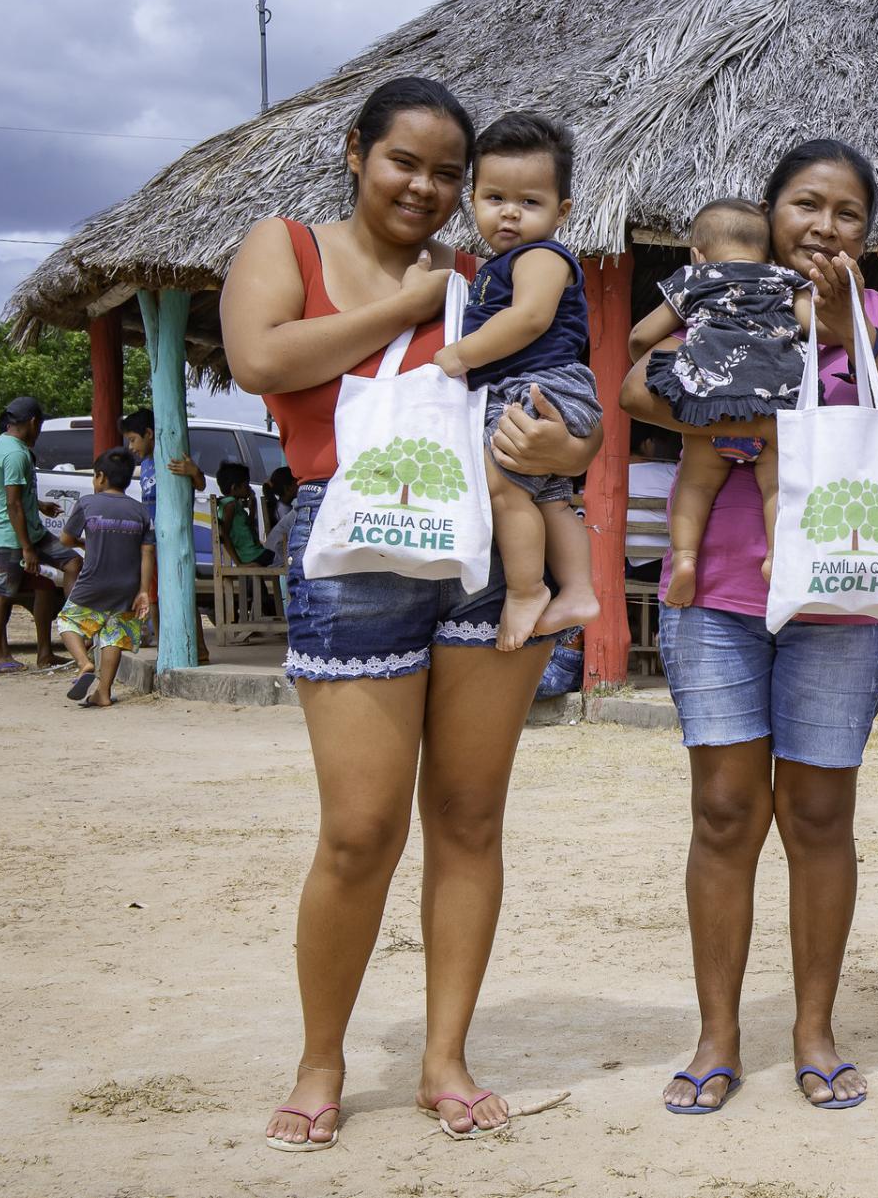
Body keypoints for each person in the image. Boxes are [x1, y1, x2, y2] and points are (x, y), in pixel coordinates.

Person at [220, 76, 603, 1150]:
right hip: (349, 549)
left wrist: (566, 448)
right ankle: (322, 1059)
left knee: (471, 817)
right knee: (358, 830)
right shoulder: (287, 245)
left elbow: (566, 412)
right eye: (406, 163)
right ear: (356, 152)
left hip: (481, 546)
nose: (426, 187)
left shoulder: (499, 275)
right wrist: (411, 305)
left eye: (446, 173)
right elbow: (262, 360)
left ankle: (446, 1057)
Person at [619, 139, 878, 1113]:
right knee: (724, 809)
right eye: (808, 206)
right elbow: (638, 386)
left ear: (868, 236)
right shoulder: (731, 295)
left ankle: (814, 1029)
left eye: (848, 213)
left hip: (840, 595)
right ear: (772, 217)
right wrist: (739, 414)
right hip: (720, 590)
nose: (827, 226)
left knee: (817, 815)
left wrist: (854, 334)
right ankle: (718, 1036)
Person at [432, 111, 603, 651]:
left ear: (562, 211)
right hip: (547, 391)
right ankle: (577, 590)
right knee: (550, 499)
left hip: (538, 387)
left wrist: (457, 355)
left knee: (499, 481)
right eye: (494, 198)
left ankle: (527, 588)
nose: (510, 213)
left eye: (530, 202)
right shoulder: (496, 264)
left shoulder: (542, 257)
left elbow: (528, 318)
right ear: (474, 198)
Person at [628, 199, 815, 603]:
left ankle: (685, 559)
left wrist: (645, 356)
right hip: (771, 406)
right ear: (765, 251)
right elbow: (813, 325)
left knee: (693, 485)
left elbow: (643, 336)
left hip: (709, 406)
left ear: (698, 254)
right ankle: (775, 555)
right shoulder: (784, 278)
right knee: (775, 486)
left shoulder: (693, 278)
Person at [0, 396, 80, 673]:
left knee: (73, 562)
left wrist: (38, 505)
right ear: (32, 422)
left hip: (30, 530)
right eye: (39, 425)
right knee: (2, 593)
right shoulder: (14, 454)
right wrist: (27, 548)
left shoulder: (4, 445)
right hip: (14, 536)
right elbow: (12, 503)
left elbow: (15, 494)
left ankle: (68, 635)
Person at [53, 447, 154, 707]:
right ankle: (104, 692)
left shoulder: (87, 503)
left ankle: (84, 663)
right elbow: (147, 552)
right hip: (128, 586)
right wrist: (143, 590)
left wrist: (88, 544)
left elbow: (65, 539)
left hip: (93, 580)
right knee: (114, 635)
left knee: (67, 622)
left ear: (100, 477)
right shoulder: (140, 511)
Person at [117, 408, 211, 664]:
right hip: (151, 541)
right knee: (154, 596)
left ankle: (199, 650)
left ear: (149, 434)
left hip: (173, 541)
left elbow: (200, 484)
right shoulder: (146, 463)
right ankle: (164, 648)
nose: (131, 446)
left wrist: (193, 472)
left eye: (133, 439)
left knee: (182, 593)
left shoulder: (169, 457)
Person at [625, 427, 681, 582]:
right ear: (647, 444)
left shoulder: (609, 477)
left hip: (639, 568)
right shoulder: (672, 471)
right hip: (674, 565)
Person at [212, 461, 274, 566]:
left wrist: (252, 509)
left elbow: (246, 527)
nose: (249, 488)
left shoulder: (235, 504)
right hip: (251, 555)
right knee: (283, 557)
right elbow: (224, 534)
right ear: (234, 488)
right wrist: (239, 563)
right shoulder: (230, 505)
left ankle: (255, 582)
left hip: (252, 553)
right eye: (246, 485)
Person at [267, 465, 300, 546]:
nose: (300, 484)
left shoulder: (281, 506)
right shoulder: (285, 511)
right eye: (297, 482)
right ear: (288, 488)